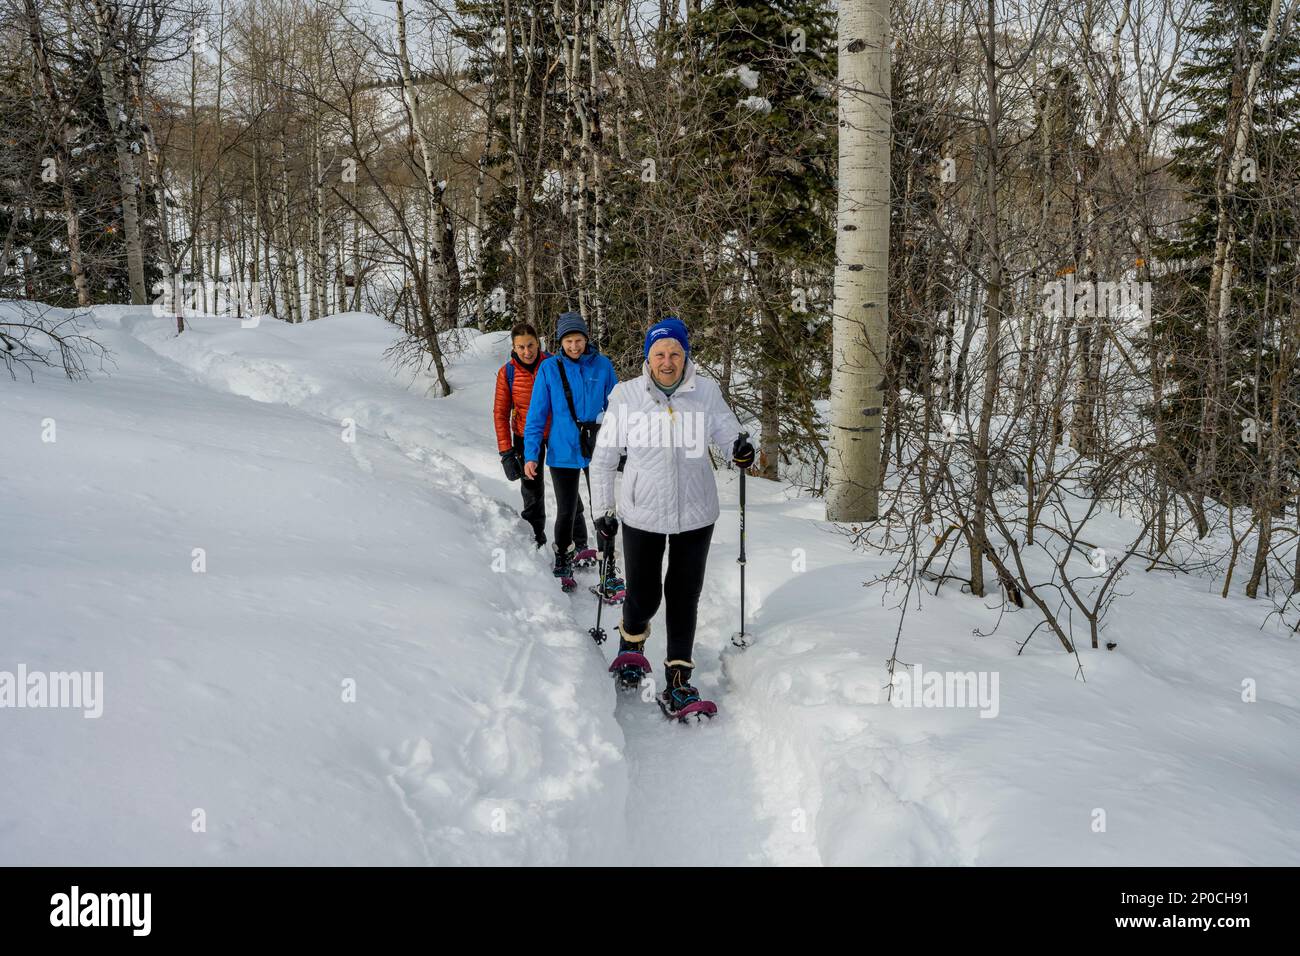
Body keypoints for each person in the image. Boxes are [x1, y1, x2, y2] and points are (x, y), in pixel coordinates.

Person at [588, 317, 754, 716]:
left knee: (684, 595)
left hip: (696, 514)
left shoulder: (706, 392)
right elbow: (604, 459)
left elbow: (731, 434)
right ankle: (631, 641)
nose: (667, 361)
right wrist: (602, 512)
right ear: (648, 357)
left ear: (686, 356)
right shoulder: (626, 396)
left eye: (675, 353)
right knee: (644, 594)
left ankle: (678, 679)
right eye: (660, 353)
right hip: (642, 513)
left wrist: (743, 449)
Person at [523, 312, 618, 589]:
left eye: (578, 340)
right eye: (568, 341)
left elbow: (617, 408)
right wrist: (531, 454)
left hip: (597, 449)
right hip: (562, 449)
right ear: (560, 341)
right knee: (566, 509)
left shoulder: (602, 366)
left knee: (603, 509)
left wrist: (621, 444)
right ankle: (563, 556)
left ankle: (607, 563)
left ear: (586, 339)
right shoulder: (550, 368)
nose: (574, 346)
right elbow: (536, 415)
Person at [493, 322, 554, 548]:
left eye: (530, 345)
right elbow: (500, 413)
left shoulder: (553, 364)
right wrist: (506, 452)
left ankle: (575, 542)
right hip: (525, 436)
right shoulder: (507, 373)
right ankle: (536, 538)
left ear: (538, 343)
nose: (527, 352)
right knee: (532, 490)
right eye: (521, 347)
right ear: (514, 347)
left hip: (555, 433)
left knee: (566, 486)